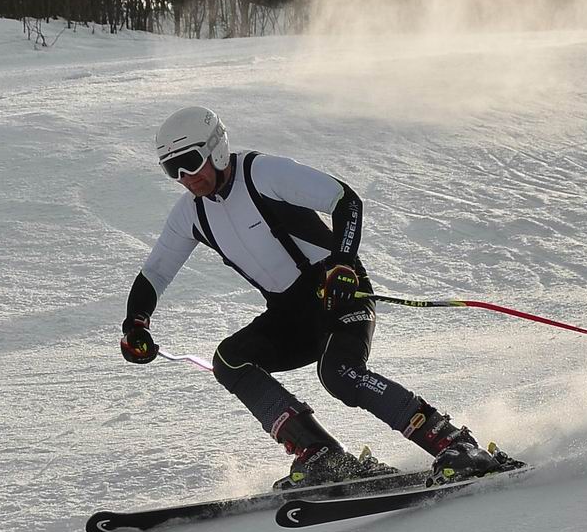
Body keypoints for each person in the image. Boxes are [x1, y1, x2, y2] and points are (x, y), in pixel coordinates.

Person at [118, 105, 502, 489]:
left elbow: (345, 200)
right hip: (290, 315)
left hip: (338, 292)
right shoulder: (190, 214)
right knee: (230, 361)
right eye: (173, 169)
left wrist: (343, 263)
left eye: (190, 162)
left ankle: (454, 444)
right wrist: (136, 324)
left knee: (339, 373)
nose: (186, 178)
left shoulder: (261, 173)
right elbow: (155, 273)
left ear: (215, 149)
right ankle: (322, 455)